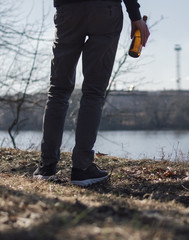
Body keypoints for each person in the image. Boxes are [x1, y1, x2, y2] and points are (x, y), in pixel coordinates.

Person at [33, 0, 150, 186]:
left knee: (58, 89)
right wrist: (135, 16)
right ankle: (82, 168)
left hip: (69, 10)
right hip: (105, 11)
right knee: (94, 92)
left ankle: (46, 166)